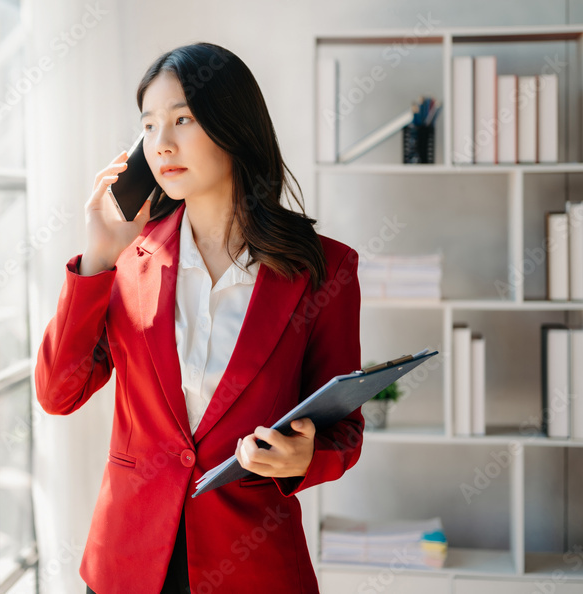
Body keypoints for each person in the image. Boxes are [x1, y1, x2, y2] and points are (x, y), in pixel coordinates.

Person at [34, 42, 363, 594]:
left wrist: (305, 457)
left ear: (233, 126)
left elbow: (344, 429)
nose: (161, 144)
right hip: (129, 562)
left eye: (182, 119)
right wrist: (98, 257)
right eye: (149, 125)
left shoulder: (324, 267)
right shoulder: (126, 260)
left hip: (254, 566)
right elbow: (58, 393)